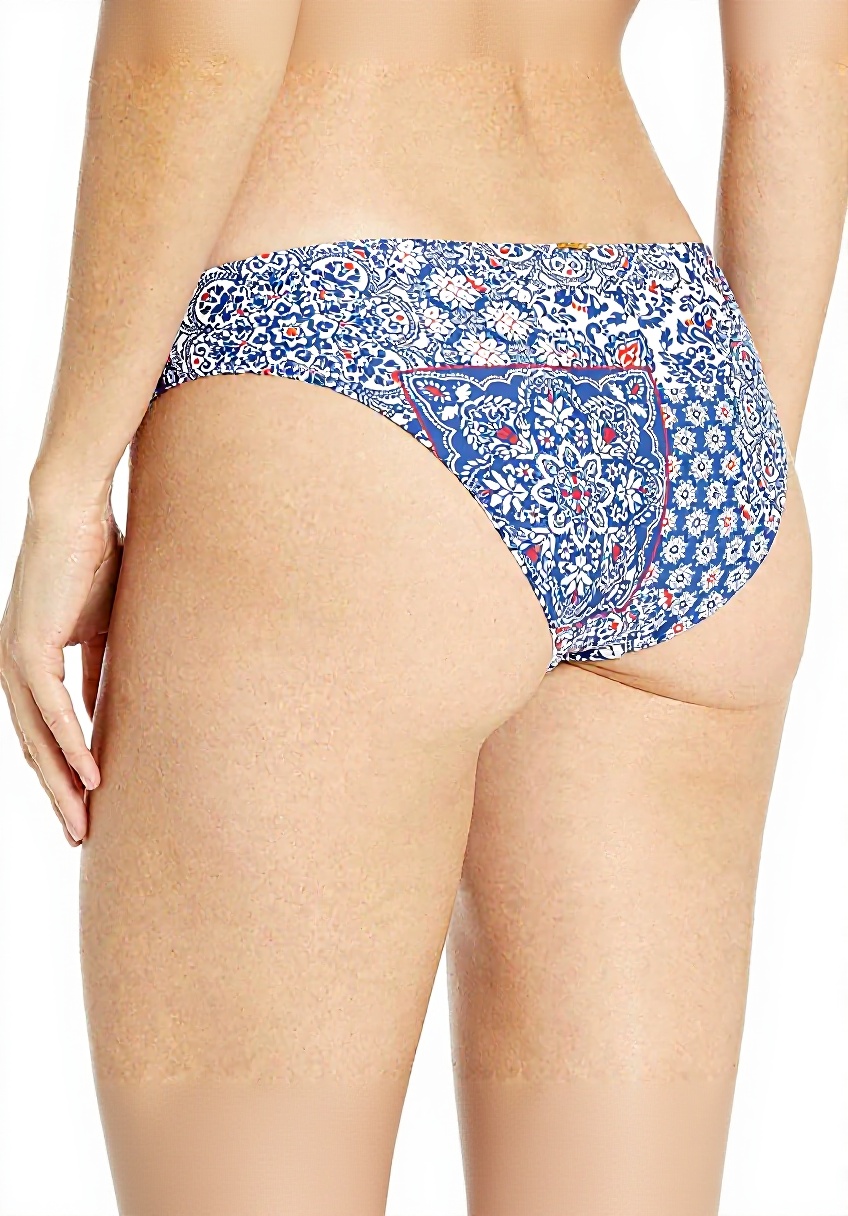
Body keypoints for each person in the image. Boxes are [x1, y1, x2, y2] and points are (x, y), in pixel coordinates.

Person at [0, 0, 845, 1211]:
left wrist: (68, 484)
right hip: (679, 364)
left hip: (345, 349)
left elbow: (198, 43)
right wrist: (732, 480)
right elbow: (807, 64)